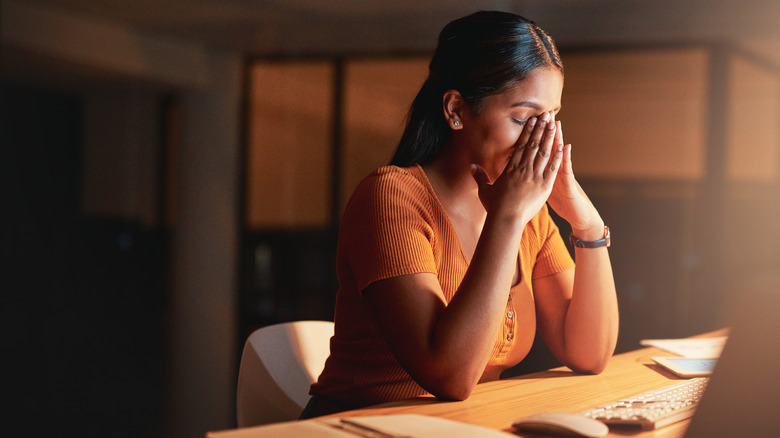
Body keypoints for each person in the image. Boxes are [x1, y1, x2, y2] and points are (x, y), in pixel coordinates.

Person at [302, 10, 618, 418]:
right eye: (523, 118)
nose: (541, 139)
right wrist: (507, 217)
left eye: (551, 119)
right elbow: (449, 375)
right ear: (456, 109)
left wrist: (587, 224)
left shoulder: (530, 216)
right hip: (357, 426)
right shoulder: (391, 197)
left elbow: (589, 354)